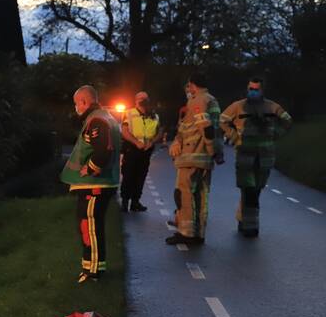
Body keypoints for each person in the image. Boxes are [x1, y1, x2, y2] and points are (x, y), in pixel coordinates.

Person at [60, 85, 121, 283]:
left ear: (84, 102)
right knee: (89, 225)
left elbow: (103, 151)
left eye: (76, 103)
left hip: (95, 184)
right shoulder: (105, 117)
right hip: (100, 184)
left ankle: (93, 272)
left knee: (90, 226)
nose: (75, 107)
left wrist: (91, 168)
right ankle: (91, 267)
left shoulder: (97, 121)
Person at [220, 77, 293, 237]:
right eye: (250, 89)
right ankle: (250, 226)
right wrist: (234, 137)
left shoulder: (272, 106)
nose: (253, 92)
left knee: (256, 190)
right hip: (245, 155)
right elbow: (222, 120)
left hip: (265, 156)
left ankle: (243, 218)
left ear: (262, 90)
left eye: (256, 89)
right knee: (249, 190)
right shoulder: (238, 106)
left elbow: (287, 120)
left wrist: (276, 134)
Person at [166, 73, 223, 245]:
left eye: (188, 86)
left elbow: (205, 127)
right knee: (201, 196)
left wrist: (213, 150)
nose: (188, 90)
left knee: (186, 194)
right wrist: (216, 152)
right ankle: (198, 233)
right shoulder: (212, 100)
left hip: (193, 155)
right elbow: (213, 129)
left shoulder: (198, 100)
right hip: (203, 157)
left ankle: (187, 234)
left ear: (193, 85)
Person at [120, 91, 164, 212]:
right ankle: (124, 202)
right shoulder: (129, 113)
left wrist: (152, 141)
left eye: (145, 98)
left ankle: (135, 202)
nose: (143, 100)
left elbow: (159, 131)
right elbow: (124, 131)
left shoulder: (154, 115)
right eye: (140, 98)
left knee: (141, 176)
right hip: (132, 148)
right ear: (136, 101)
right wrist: (136, 142)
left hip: (146, 150)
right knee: (128, 175)